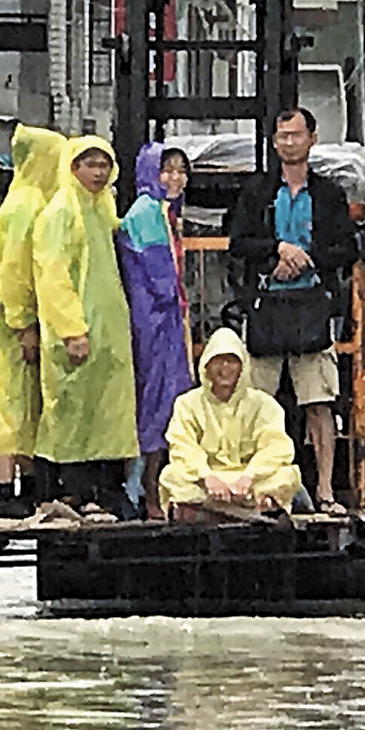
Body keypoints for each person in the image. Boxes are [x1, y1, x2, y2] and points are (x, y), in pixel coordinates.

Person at [229, 106, 359, 516]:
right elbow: (239, 243)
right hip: (266, 309)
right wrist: (276, 251)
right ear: (273, 142)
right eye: (282, 136)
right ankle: (253, 488)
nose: (289, 142)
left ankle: (324, 491)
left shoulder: (329, 195)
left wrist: (306, 257)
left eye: (296, 134)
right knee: (255, 404)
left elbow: (346, 248)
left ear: (312, 138)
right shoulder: (257, 192)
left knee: (319, 403)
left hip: (312, 310)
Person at [32, 135, 139, 514]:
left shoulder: (101, 205)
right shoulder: (62, 211)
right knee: (72, 411)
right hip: (78, 333)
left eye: (104, 164)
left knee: (107, 411)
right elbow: (53, 276)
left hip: (108, 331)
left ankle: (107, 488)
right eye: (89, 164)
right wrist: (71, 329)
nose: (98, 172)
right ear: (72, 167)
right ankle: (70, 488)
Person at [0, 124, 64, 518]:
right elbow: (14, 273)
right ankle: (6, 492)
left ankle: (22, 487)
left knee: (19, 405)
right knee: (6, 407)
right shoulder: (27, 205)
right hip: (6, 325)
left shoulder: (22, 199)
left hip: (3, 321)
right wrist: (24, 323)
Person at [116, 142, 195, 519]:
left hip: (163, 320)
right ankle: (147, 494)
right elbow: (161, 277)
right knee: (157, 405)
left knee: (165, 403)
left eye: (181, 170)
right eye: (167, 170)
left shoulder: (163, 212)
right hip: (155, 323)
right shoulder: (147, 213)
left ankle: (156, 491)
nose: (175, 178)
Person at [159, 327, 301, 521]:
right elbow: (182, 446)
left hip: (249, 482)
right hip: (207, 482)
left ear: (242, 367)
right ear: (206, 365)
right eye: (217, 360)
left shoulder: (264, 404)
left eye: (231, 361)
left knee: (288, 475)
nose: (224, 368)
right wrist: (207, 477)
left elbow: (276, 447)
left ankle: (212, 510)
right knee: (171, 475)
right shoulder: (187, 403)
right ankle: (250, 511)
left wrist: (248, 477)